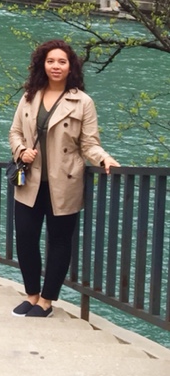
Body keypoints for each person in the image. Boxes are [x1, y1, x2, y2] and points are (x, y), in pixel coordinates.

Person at [8, 39, 120, 318]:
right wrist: (22, 151)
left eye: (62, 62)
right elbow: (14, 133)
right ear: (42, 65)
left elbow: (89, 143)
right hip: (30, 181)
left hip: (65, 182)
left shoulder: (83, 102)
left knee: (59, 241)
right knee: (25, 237)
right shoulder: (29, 95)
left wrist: (103, 157)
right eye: (50, 61)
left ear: (71, 67)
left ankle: (46, 301)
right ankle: (31, 295)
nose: (55, 66)